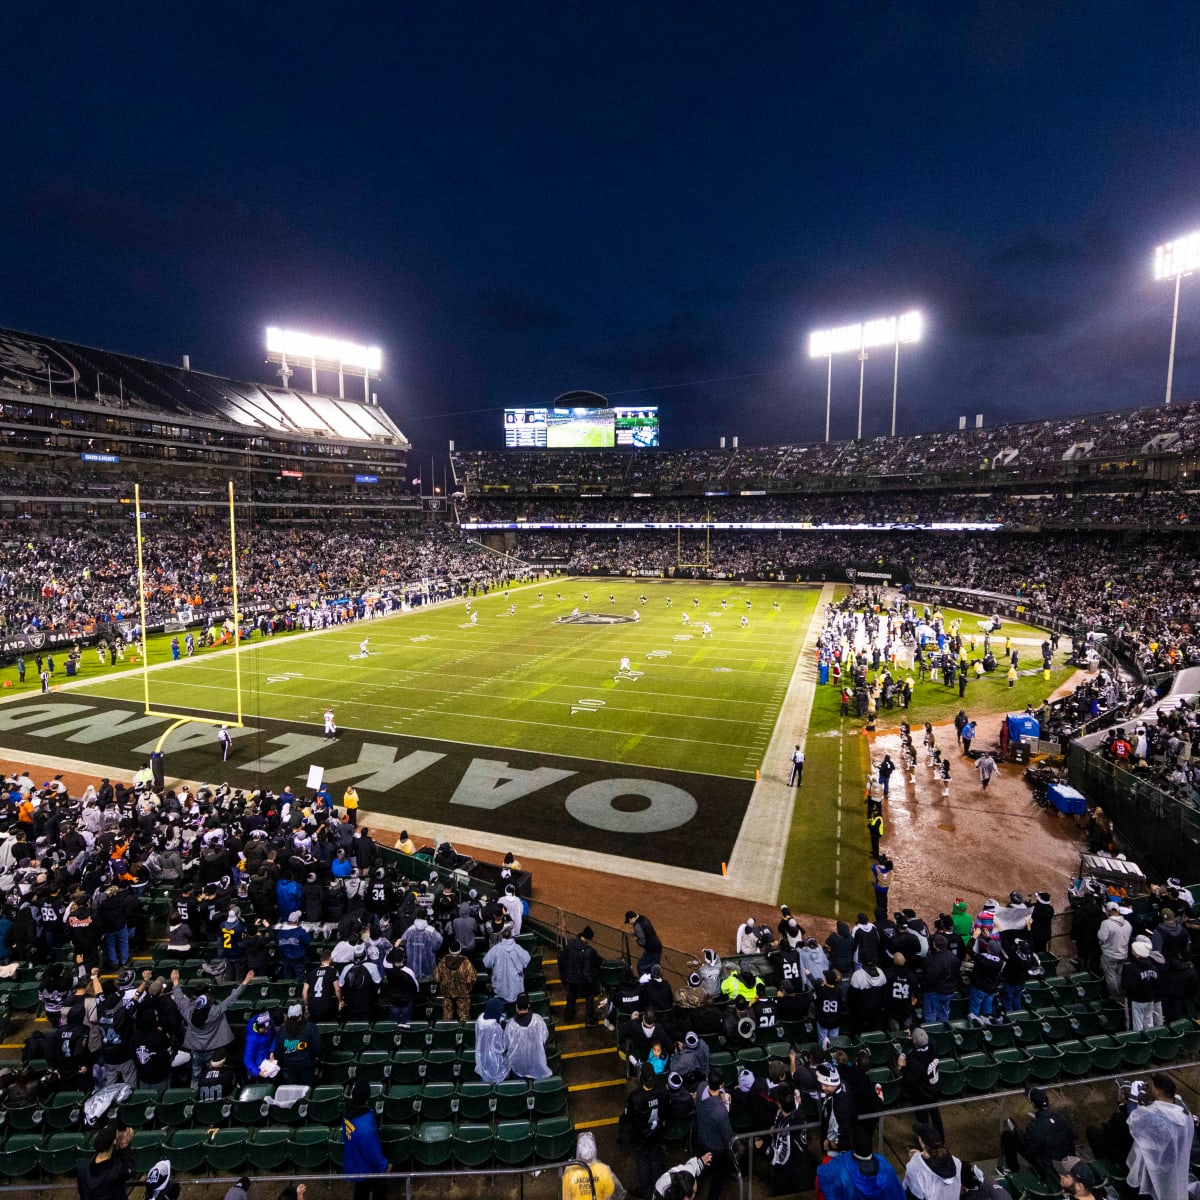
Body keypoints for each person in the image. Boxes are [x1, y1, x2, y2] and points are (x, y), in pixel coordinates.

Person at [1126, 1074, 1194, 1200]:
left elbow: (1133, 1120)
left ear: (1157, 1091)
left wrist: (1133, 1098)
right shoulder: (1184, 1111)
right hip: (1174, 1162)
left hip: (1154, 1166)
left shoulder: (1154, 1117)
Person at [997, 1086, 1075, 1177]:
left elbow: (1029, 1150)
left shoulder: (1034, 1127)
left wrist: (1015, 1129)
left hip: (1048, 1167)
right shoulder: (1060, 1117)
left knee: (1007, 1137)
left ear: (1034, 1104)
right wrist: (1039, 1118)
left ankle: (1013, 1170)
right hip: (1068, 1162)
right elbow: (1071, 1136)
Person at [817, 1126, 904, 1200]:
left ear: (853, 1146)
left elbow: (823, 1179)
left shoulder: (841, 1166)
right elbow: (897, 1193)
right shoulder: (885, 1166)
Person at [623, 1064, 666, 1198]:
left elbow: (628, 1117)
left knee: (643, 1162)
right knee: (656, 1158)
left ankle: (644, 1190)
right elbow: (666, 1112)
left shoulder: (635, 1097)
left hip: (641, 1136)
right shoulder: (662, 1092)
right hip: (657, 1133)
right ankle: (659, 1186)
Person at [342, 1079, 390, 1200]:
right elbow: (372, 1152)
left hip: (355, 1162)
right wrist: (384, 1166)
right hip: (369, 1167)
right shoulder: (366, 1127)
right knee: (378, 1190)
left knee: (360, 1189)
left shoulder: (347, 1113)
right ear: (367, 1099)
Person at [694, 1069, 737, 1200]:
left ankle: (692, 1187)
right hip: (715, 1147)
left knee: (701, 1166)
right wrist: (724, 1102)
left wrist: (721, 1098)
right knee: (717, 1175)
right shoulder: (720, 1111)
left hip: (701, 1135)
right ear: (721, 1085)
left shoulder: (701, 1087)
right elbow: (728, 1135)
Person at [903, 1123, 962, 1200]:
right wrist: (918, 1156)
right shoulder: (956, 1162)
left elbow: (912, 1195)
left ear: (922, 1143)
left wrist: (916, 1159)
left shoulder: (915, 1169)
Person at [76, 1124, 135, 1200]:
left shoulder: (82, 1167)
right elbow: (130, 1170)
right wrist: (125, 1146)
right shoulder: (117, 1171)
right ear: (114, 1141)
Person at [560, 925, 602, 1027]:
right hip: (581, 980)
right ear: (589, 938)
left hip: (570, 978)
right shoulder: (588, 951)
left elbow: (562, 960)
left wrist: (564, 976)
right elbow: (587, 970)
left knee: (571, 996)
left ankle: (568, 1016)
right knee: (589, 997)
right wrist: (591, 982)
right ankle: (589, 1021)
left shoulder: (570, 944)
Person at [562, 1130, 623, 1200]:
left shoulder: (569, 1172)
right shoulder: (604, 1170)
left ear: (578, 1151)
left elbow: (566, 1197)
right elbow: (609, 1194)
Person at [504, 991, 551, 1079]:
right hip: (537, 1064)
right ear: (528, 1005)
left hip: (517, 1066)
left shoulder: (511, 1024)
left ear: (516, 1006)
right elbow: (545, 1037)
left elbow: (506, 1044)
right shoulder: (538, 1020)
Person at [483, 926, 530, 1004]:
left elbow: (486, 962)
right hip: (515, 988)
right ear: (511, 936)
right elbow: (527, 959)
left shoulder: (496, 949)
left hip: (499, 988)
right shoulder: (517, 948)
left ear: (502, 936)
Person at [475, 997, 508, 1083]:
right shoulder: (494, 1028)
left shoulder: (480, 1020)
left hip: (482, 1059)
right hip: (496, 1062)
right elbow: (501, 1047)